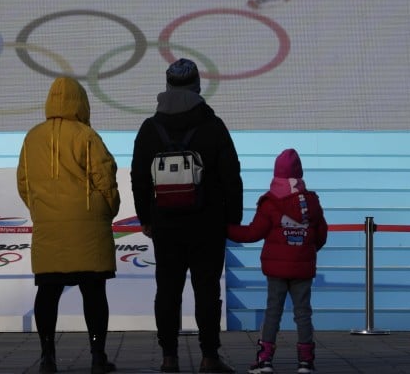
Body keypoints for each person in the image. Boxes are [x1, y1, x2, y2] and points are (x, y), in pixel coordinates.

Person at [131, 59, 244, 373]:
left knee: (167, 290)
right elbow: (231, 176)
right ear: (197, 86)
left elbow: (138, 176)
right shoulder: (213, 126)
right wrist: (232, 219)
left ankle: (169, 357)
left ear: (167, 86)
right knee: (207, 290)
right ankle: (209, 357)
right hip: (208, 225)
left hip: (165, 224)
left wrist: (146, 218)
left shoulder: (150, 129)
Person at [17, 77, 122, 374]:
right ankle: (98, 356)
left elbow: (23, 183)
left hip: (49, 225)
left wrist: (41, 210)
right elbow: (105, 177)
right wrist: (109, 208)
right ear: (81, 102)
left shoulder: (32, 137)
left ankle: (48, 357)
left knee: (48, 292)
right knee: (94, 293)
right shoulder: (86, 135)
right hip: (88, 227)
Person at [227, 149, 328, 374]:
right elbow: (321, 235)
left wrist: (225, 229)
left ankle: (265, 360)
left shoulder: (270, 203)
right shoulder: (312, 203)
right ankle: (305, 362)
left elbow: (252, 233)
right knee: (303, 313)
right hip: (303, 267)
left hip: (276, 269)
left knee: (273, 311)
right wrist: (304, 251)